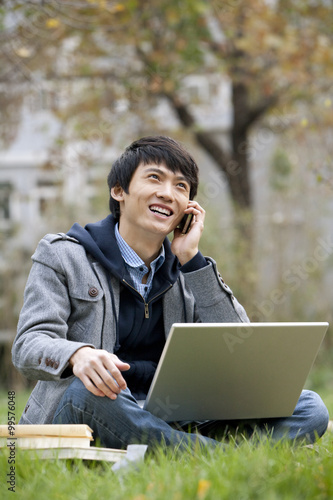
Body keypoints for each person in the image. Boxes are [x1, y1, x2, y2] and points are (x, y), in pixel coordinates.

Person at [12, 136, 329, 451]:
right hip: (90, 410)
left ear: (189, 209)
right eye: (155, 178)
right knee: (88, 391)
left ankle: (176, 448)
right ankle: (219, 456)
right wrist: (77, 355)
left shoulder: (189, 271)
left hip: (167, 414)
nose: (167, 193)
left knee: (309, 407)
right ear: (119, 190)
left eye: (181, 186)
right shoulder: (63, 255)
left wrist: (193, 261)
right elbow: (29, 345)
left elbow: (238, 344)